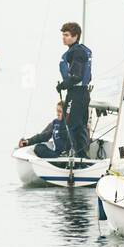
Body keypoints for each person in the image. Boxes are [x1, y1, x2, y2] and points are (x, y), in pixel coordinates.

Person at [55, 21, 92, 158]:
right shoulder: (81, 51)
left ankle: (67, 156)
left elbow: (76, 76)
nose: (63, 37)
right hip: (83, 94)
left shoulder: (76, 52)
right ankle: (82, 156)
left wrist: (62, 85)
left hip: (76, 95)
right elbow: (88, 75)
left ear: (75, 36)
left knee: (67, 126)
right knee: (79, 127)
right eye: (63, 35)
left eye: (67, 35)